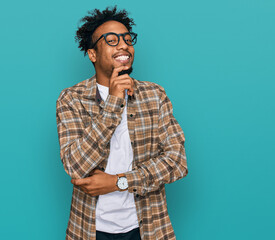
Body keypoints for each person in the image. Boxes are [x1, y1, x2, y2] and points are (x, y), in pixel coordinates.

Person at [56, 6, 188, 240]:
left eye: (128, 39)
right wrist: (114, 102)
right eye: (112, 40)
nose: (124, 45)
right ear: (93, 54)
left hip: (148, 228)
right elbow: (75, 167)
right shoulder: (72, 99)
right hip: (89, 229)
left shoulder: (154, 95)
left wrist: (119, 183)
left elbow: (177, 161)